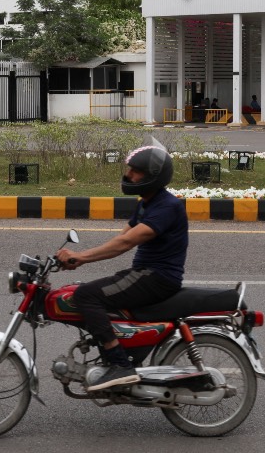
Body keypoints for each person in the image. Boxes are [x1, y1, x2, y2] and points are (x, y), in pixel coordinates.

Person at [55, 144, 187, 391]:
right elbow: (121, 237)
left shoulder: (168, 207)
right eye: (129, 169)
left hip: (156, 278)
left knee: (86, 295)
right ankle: (114, 353)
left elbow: (125, 243)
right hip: (145, 274)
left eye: (135, 171)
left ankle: (119, 364)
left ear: (152, 176)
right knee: (88, 290)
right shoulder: (147, 203)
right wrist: (77, 258)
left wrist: (82, 257)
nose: (128, 175)